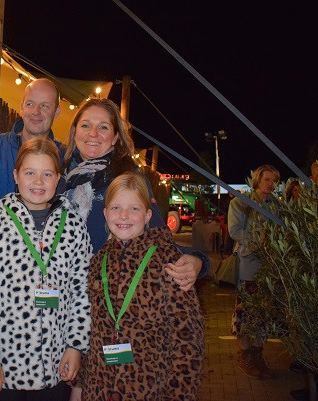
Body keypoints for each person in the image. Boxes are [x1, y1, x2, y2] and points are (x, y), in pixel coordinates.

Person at [0, 137, 91, 401]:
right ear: (16, 175)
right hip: (4, 368)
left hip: (56, 366)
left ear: (58, 178)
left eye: (47, 174)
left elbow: (83, 290)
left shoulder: (73, 224)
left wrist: (76, 346)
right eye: (30, 172)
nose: (38, 182)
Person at [77, 172, 204, 400]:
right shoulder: (98, 262)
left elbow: (187, 338)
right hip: (99, 389)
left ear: (148, 215)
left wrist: (179, 394)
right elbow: (92, 331)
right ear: (105, 213)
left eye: (134, 209)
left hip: (149, 388)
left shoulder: (167, 261)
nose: (124, 216)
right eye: (116, 208)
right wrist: (82, 385)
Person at [64, 99, 206, 289]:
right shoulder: (56, 179)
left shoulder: (130, 181)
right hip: (62, 293)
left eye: (103, 127)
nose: (93, 133)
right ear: (75, 132)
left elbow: (157, 237)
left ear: (115, 137)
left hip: (110, 293)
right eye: (85, 125)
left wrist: (196, 260)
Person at [228, 164, 280, 379]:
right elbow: (234, 231)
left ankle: (257, 356)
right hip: (248, 263)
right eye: (267, 179)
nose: (271, 184)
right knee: (245, 311)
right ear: (257, 179)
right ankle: (245, 357)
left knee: (263, 313)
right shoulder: (241, 202)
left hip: (269, 266)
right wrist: (258, 242)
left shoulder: (276, 204)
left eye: (274, 180)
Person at [0, 78, 63, 207]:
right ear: (21, 107)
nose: (36, 112)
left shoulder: (64, 157)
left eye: (44, 106)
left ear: (56, 111)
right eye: (30, 104)